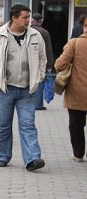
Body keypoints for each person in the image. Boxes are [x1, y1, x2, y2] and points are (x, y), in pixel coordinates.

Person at [0, 4, 47, 171]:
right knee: (2, 125)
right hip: (4, 89)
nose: (28, 21)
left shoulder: (35, 36)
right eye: (25, 17)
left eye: (28, 17)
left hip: (27, 90)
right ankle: (2, 156)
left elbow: (42, 59)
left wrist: (38, 78)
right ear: (14, 18)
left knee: (28, 125)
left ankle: (33, 158)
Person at [55, 18, 87, 162]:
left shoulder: (75, 43)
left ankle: (78, 154)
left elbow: (60, 64)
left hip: (77, 92)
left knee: (76, 124)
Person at [30, 13, 54, 110]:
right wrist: (50, 64)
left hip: (27, 61)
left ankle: (25, 102)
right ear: (41, 21)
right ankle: (38, 105)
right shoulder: (44, 32)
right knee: (40, 82)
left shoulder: (26, 31)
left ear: (32, 20)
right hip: (40, 61)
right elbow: (48, 49)